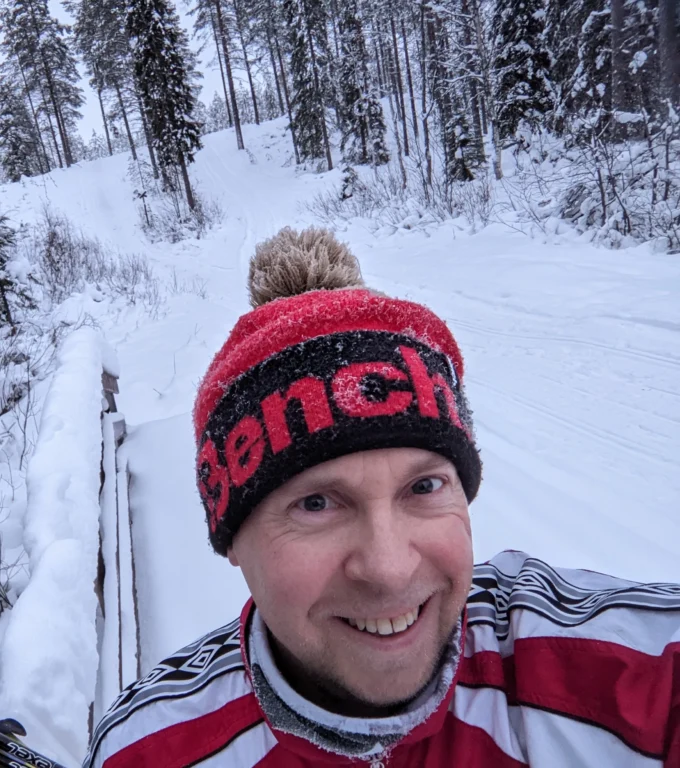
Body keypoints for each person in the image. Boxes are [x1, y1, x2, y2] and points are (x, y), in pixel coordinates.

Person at [81, 227, 680, 767]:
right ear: (232, 539)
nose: (391, 571)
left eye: (423, 487)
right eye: (316, 503)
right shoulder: (147, 750)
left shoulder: (610, 669)